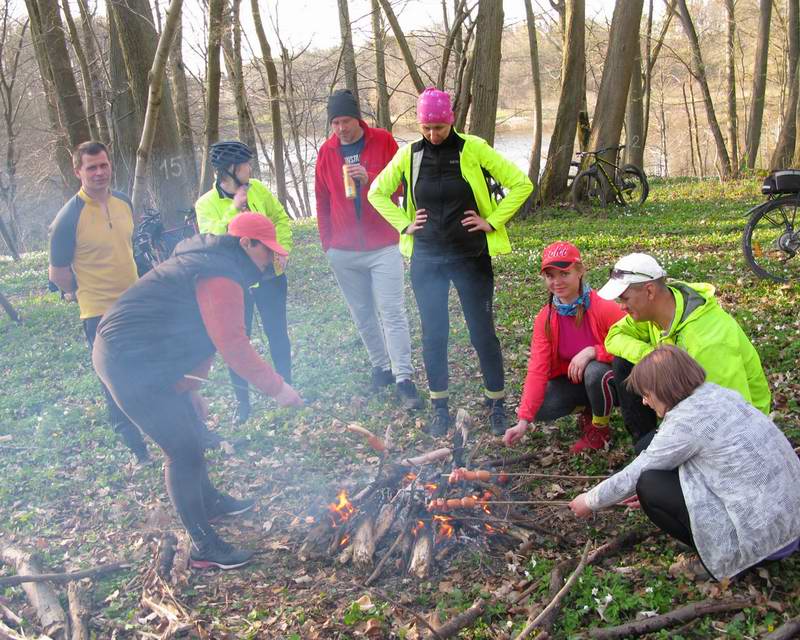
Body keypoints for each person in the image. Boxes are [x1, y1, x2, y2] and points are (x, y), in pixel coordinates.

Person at [93, 213, 303, 570]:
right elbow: (232, 344)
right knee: (183, 449)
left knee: (192, 429)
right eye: (267, 251)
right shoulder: (219, 273)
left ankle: (210, 501)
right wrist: (279, 389)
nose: (271, 259)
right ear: (246, 243)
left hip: (151, 355)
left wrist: (191, 387)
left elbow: (202, 336)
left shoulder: (215, 264)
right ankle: (203, 545)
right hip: (127, 359)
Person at [369, 87, 533, 436]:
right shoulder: (409, 154)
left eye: (439, 127)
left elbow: (521, 183)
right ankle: (439, 405)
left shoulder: (472, 147)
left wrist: (493, 220)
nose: (433, 134)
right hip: (427, 259)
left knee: (482, 331)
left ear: (451, 120)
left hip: (470, 256)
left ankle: (496, 402)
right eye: (427, 127)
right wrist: (404, 224)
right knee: (434, 334)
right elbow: (376, 192)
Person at [569, 346, 800, 582]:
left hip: (764, 538)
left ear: (663, 389)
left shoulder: (686, 422)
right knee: (652, 451)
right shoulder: (717, 394)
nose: (645, 402)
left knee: (649, 484)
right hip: (791, 518)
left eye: (647, 394)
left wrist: (589, 500)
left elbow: (637, 473)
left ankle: (728, 559)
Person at [598, 252, 771, 451]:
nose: (620, 307)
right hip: (693, 407)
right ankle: (645, 441)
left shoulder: (707, 341)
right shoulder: (659, 309)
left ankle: (653, 452)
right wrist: (654, 358)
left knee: (652, 473)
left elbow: (731, 414)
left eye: (624, 298)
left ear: (650, 291)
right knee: (623, 362)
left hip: (738, 433)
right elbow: (614, 337)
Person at [315, 89, 420, 408]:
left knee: (392, 312)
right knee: (362, 314)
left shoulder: (383, 141)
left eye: (345, 121)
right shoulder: (327, 151)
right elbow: (321, 199)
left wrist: (371, 177)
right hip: (343, 250)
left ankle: (404, 377)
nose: (340, 128)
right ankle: (381, 367)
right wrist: (327, 243)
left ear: (357, 118)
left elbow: (403, 186)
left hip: (382, 244)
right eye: (334, 122)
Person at [49, 141, 149, 463]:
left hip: (135, 306)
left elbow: (127, 249)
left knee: (150, 371)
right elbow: (58, 273)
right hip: (99, 314)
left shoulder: (124, 203)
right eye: (91, 167)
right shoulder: (68, 218)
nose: (99, 172)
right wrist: (76, 292)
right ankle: (138, 449)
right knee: (115, 383)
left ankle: (164, 430)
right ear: (78, 171)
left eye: (103, 165)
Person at [195, 141, 293, 425]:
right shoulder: (205, 204)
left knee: (278, 334)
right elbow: (210, 240)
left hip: (270, 274)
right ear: (230, 171)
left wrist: (282, 250)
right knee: (238, 341)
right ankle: (243, 404)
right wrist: (232, 210)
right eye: (246, 164)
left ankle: (287, 387)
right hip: (234, 283)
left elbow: (279, 219)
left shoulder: (259, 189)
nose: (251, 168)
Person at [503, 242, 625, 453]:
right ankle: (590, 409)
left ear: (580, 272)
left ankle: (600, 429)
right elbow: (537, 368)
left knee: (594, 371)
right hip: (576, 381)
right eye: (550, 276)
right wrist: (524, 420)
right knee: (538, 408)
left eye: (564, 273)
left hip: (616, 380)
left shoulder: (604, 306)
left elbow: (632, 345)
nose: (557, 282)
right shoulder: (546, 318)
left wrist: (594, 351)